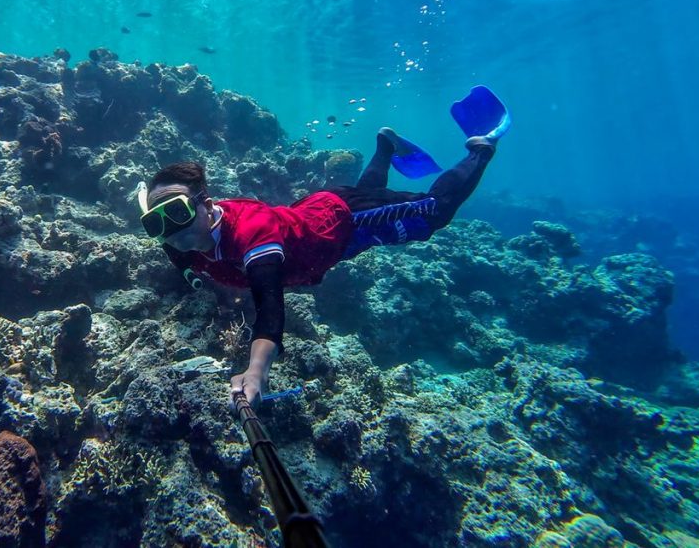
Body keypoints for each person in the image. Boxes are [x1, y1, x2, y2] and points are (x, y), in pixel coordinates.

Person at [136, 86, 510, 410]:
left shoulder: (251, 232)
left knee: (433, 215)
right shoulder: (182, 238)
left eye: (177, 213)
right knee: (374, 191)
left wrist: (256, 371)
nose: (172, 230)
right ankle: (385, 146)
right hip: (318, 235)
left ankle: (481, 146)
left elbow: (270, 304)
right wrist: (193, 275)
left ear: (206, 202)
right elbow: (174, 248)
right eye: (157, 223)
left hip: (343, 221)